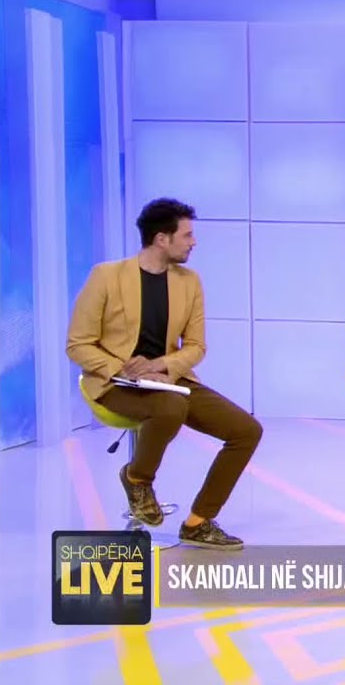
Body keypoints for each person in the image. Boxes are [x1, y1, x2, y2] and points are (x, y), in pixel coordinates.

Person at [67, 198, 261, 551]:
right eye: (187, 235)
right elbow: (77, 344)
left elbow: (196, 346)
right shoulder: (106, 276)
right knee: (171, 407)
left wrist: (162, 366)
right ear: (161, 239)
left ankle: (198, 522)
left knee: (246, 430)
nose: (194, 242)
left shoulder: (189, 282)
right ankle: (137, 478)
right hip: (114, 382)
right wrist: (123, 368)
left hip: (169, 379)